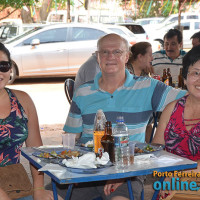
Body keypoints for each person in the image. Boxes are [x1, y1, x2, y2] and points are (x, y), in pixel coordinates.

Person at [63, 33, 187, 200]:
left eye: (117, 52)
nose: (110, 57)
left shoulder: (147, 87)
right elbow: (70, 137)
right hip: (87, 169)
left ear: (127, 56)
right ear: (97, 57)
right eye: (104, 52)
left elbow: (189, 97)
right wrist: (71, 168)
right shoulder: (83, 92)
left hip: (129, 170)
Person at [0, 43, 55, 200]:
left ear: (10, 69)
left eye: (3, 66)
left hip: (14, 183)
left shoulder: (22, 100)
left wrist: (38, 189)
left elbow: (35, 150)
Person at [152, 45, 200, 199]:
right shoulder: (172, 109)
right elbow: (156, 149)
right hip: (173, 185)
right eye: (196, 73)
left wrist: (178, 174)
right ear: (185, 78)